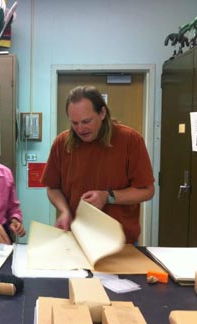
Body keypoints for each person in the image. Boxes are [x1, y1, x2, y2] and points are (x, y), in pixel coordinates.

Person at [41, 85, 155, 244]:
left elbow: (147, 191)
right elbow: (52, 188)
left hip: (120, 242)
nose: (80, 129)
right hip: (77, 239)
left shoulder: (130, 140)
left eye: (86, 121)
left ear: (102, 113)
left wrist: (108, 197)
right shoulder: (62, 142)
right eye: (74, 123)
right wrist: (64, 211)